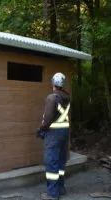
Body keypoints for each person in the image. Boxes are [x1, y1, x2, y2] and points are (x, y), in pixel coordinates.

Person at [36, 72, 71, 200]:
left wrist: (41, 129)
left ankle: (52, 194)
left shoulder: (52, 98)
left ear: (53, 83)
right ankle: (61, 188)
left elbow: (48, 118)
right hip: (64, 132)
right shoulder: (67, 97)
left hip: (54, 134)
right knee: (61, 160)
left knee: (51, 162)